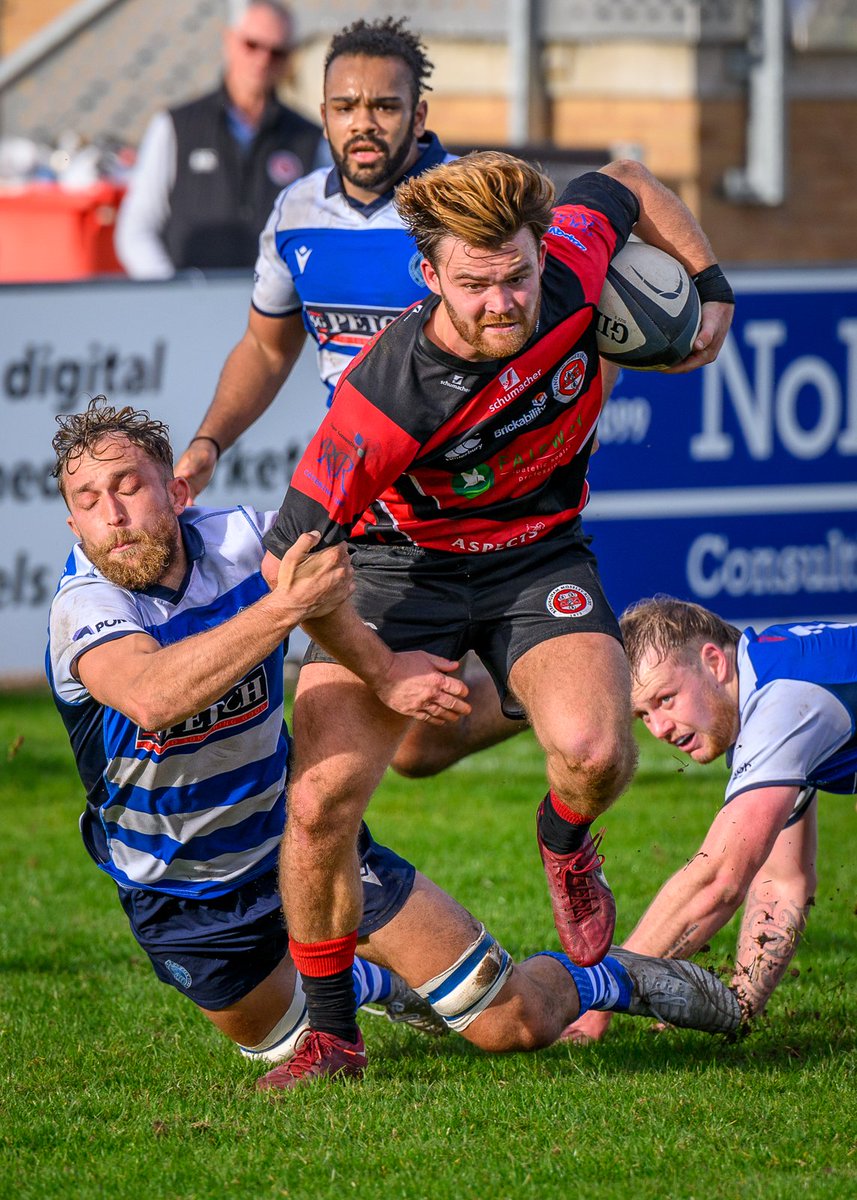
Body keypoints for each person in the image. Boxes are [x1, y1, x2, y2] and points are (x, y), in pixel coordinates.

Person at [45, 400, 740, 1090]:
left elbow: (352, 572)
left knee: (513, 1025)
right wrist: (288, 604)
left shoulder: (243, 543)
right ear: (72, 521)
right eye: (88, 500)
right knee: (275, 1043)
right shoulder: (85, 607)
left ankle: (616, 977)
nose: (112, 515)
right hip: (180, 894)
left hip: (300, 845)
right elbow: (152, 695)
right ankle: (378, 978)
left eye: (129, 486)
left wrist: (385, 666)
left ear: (176, 491)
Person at [258, 150, 736, 1082]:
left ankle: (564, 841)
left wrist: (710, 283)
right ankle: (329, 1036)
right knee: (318, 804)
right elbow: (290, 561)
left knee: (597, 754)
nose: (503, 301)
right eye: (473, 284)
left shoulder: (568, 262)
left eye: (515, 274)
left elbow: (629, 179)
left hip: (537, 555)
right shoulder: (385, 392)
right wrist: (381, 667)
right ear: (429, 276)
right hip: (400, 572)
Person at [174, 14, 528, 776]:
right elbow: (267, 347)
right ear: (323, 111)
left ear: (418, 115)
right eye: (344, 106)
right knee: (402, 752)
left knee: (365, 765)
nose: (362, 123)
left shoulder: (472, 207)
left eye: (384, 106)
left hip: (479, 499)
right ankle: (547, 684)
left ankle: (570, 676)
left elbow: (549, 319)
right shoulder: (296, 211)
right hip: (368, 502)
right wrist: (208, 443)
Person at [566, 596, 854, 1044]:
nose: (658, 728)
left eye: (666, 699)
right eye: (643, 714)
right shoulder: (764, 686)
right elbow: (782, 882)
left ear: (714, 662)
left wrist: (595, 1001)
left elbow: (717, 879)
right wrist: (739, 1005)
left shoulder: (782, 701)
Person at [115, 1, 327, 279]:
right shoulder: (176, 126)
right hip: (188, 306)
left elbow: (327, 230)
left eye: (276, 52)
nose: (262, 59)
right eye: (252, 45)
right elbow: (136, 229)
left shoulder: (309, 138)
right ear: (229, 41)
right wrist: (170, 290)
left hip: (275, 310)